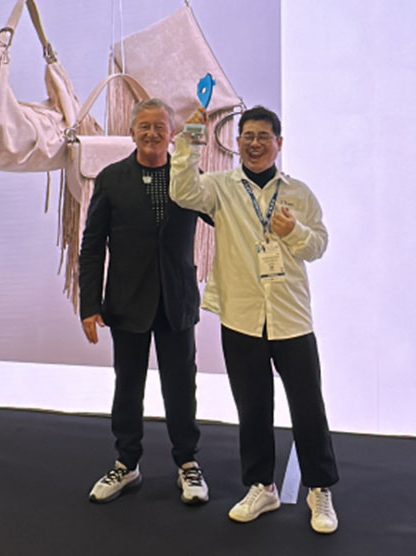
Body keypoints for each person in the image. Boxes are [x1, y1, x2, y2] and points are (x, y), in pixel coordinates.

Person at [169, 105, 339, 533]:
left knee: (308, 406)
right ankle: (262, 486)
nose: (256, 143)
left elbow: (318, 245)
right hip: (242, 316)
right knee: (252, 406)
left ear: (279, 143)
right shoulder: (220, 187)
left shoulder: (298, 192)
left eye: (264, 136)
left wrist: (294, 232)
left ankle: (319, 489)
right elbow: (182, 192)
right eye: (248, 136)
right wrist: (191, 137)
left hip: (291, 316)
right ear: (237, 141)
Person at [79, 98, 209, 506]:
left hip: (176, 300)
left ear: (172, 134)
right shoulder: (111, 178)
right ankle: (127, 463)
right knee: (128, 385)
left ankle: (187, 463)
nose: (152, 133)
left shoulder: (189, 176)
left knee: (181, 386)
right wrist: (89, 304)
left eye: (160, 127)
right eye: (144, 126)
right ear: (132, 131)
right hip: (126, 301)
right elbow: (92, 245)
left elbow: (223, 214)